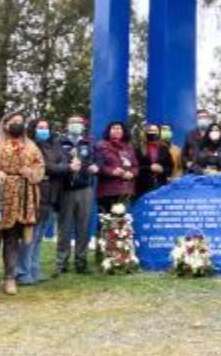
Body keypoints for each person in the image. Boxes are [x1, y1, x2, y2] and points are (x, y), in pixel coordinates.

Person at [0, 111, 45, 296]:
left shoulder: (31, 145)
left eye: (20, 121)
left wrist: (31, 172)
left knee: (12, 239)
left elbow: (40, 166)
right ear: (5, 123)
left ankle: (10, 277)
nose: (18, 124)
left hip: (22, 196)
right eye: (13, 121)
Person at [18, 118, 65, 286]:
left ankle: (34, 270)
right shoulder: (30, 145)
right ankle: (22, 272)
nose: (44, 130)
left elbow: (60, 163)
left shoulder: (53, 144)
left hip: (51, 195)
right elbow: (48, 167)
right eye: (40, 127)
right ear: (33, 129)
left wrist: (57, 168)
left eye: (46, 127)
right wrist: (60, 168)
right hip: (36, 195)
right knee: (29, 236)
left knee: (38, 237)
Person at [56, 115, 97, 274]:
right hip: (65, 189)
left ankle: (81, 263)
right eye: (72, 122)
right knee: (64, 228)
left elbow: (98, 160)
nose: (76, 125)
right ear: (68, 125)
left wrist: (95, 166)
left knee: (83, 227)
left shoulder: (89, 143)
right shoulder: (59, 142)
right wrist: (67, 165)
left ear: (83, 126)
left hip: (85, 188)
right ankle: (61, 263)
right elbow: (56, 161)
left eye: (79, 123)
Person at [96, 121, 138, 210]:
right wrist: (112, 172)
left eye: (118, 128)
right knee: (107, 221)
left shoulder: (129, 147)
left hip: (126, 190)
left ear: (123, 131)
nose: (116, 130)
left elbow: (135, 166)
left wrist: (132, 173)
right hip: (107, 191)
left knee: (123, 222)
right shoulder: (101, 145)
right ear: (109, 131)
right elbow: (97, 165)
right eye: (113, 128)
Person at [137, 122, 174, 196]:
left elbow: (170, 166)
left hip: (161, 185)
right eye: (150, 130)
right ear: (146, 132)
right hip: (143, 185)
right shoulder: (139, 148)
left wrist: (163, 169)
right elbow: (136, 167)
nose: (153, 133)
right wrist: (149, 168)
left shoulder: (164, 148)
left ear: (159, 133)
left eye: (155, 131)